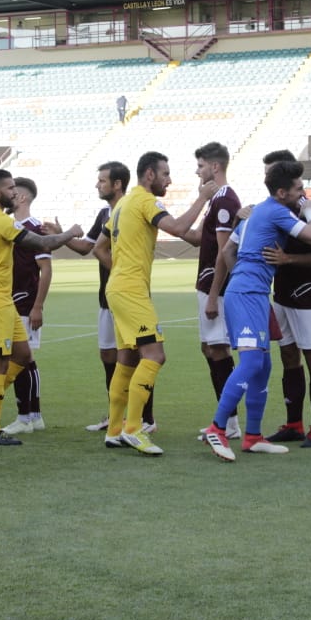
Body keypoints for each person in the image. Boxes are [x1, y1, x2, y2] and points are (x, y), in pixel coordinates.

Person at [201, 159, 311, 461]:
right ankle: (217, 429)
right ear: (282, 192)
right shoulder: (275, 212)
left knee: (264, 365)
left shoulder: (257, 211)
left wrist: (243, 276)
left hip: (252, 293)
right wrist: (310, 210)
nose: (303, 193)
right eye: (298, 189)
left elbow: (228, 251)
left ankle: (254, 436)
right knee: (250, 363)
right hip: (247, 295)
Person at [99, 151, 214, 454]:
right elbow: (176, 229)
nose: (169, 179)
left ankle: (114, 430)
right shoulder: (146, 201)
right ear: (149, 175)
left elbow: (101, 246)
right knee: (155, 354)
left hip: (119, 288)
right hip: (131, 290)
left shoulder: (123, 203)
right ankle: (135, 429)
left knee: (127, 359)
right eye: (165, 174)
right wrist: (202, 197)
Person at [0, 169, 81, 446]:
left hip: (1, 301)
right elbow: (42, 242)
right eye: (9, 188)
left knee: (24, 355)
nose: (14, 192)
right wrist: (70, 233)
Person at [255, 149, 311, 448]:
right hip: (283, 294)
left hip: (309, 295)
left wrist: (286, 259)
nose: (268, 180)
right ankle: (294, 424)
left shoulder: (307, 212)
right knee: (288, 356)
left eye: (271, 173)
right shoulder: (276, 209)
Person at [65, 161, 137, 433]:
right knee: (108, 356)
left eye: (102, 181)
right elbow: (88, 247)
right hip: (107, 297)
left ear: (117, 184)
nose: (98, 184)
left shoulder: (129, 210)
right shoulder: (104, 213)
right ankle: (114, 415)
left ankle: (145, 418)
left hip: (128, 295)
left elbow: (100, 250)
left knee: (133, 356)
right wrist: (60, 236)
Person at [180, 142, 241, 439]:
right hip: (206, 284)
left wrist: (215, 295)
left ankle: (229, 424)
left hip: (216, 288)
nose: (197, 171)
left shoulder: (225, 200)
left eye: (201, 166)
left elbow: (224, 251)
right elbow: (197, 239)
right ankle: (225, 419)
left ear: (215, 167)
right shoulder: (215, 200)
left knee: (218, 349)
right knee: (210, 348)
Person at [1, 177, 51, 435]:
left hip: (25, 302)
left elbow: (45, 269)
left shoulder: (34, 229)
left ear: (21, 197)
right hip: (13, 302)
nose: (9, 195)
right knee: (27, 360)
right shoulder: (11, 227)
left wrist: (38, 306)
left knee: (20, 358)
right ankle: (34, 415)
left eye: (12, 191)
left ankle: (24, 417)